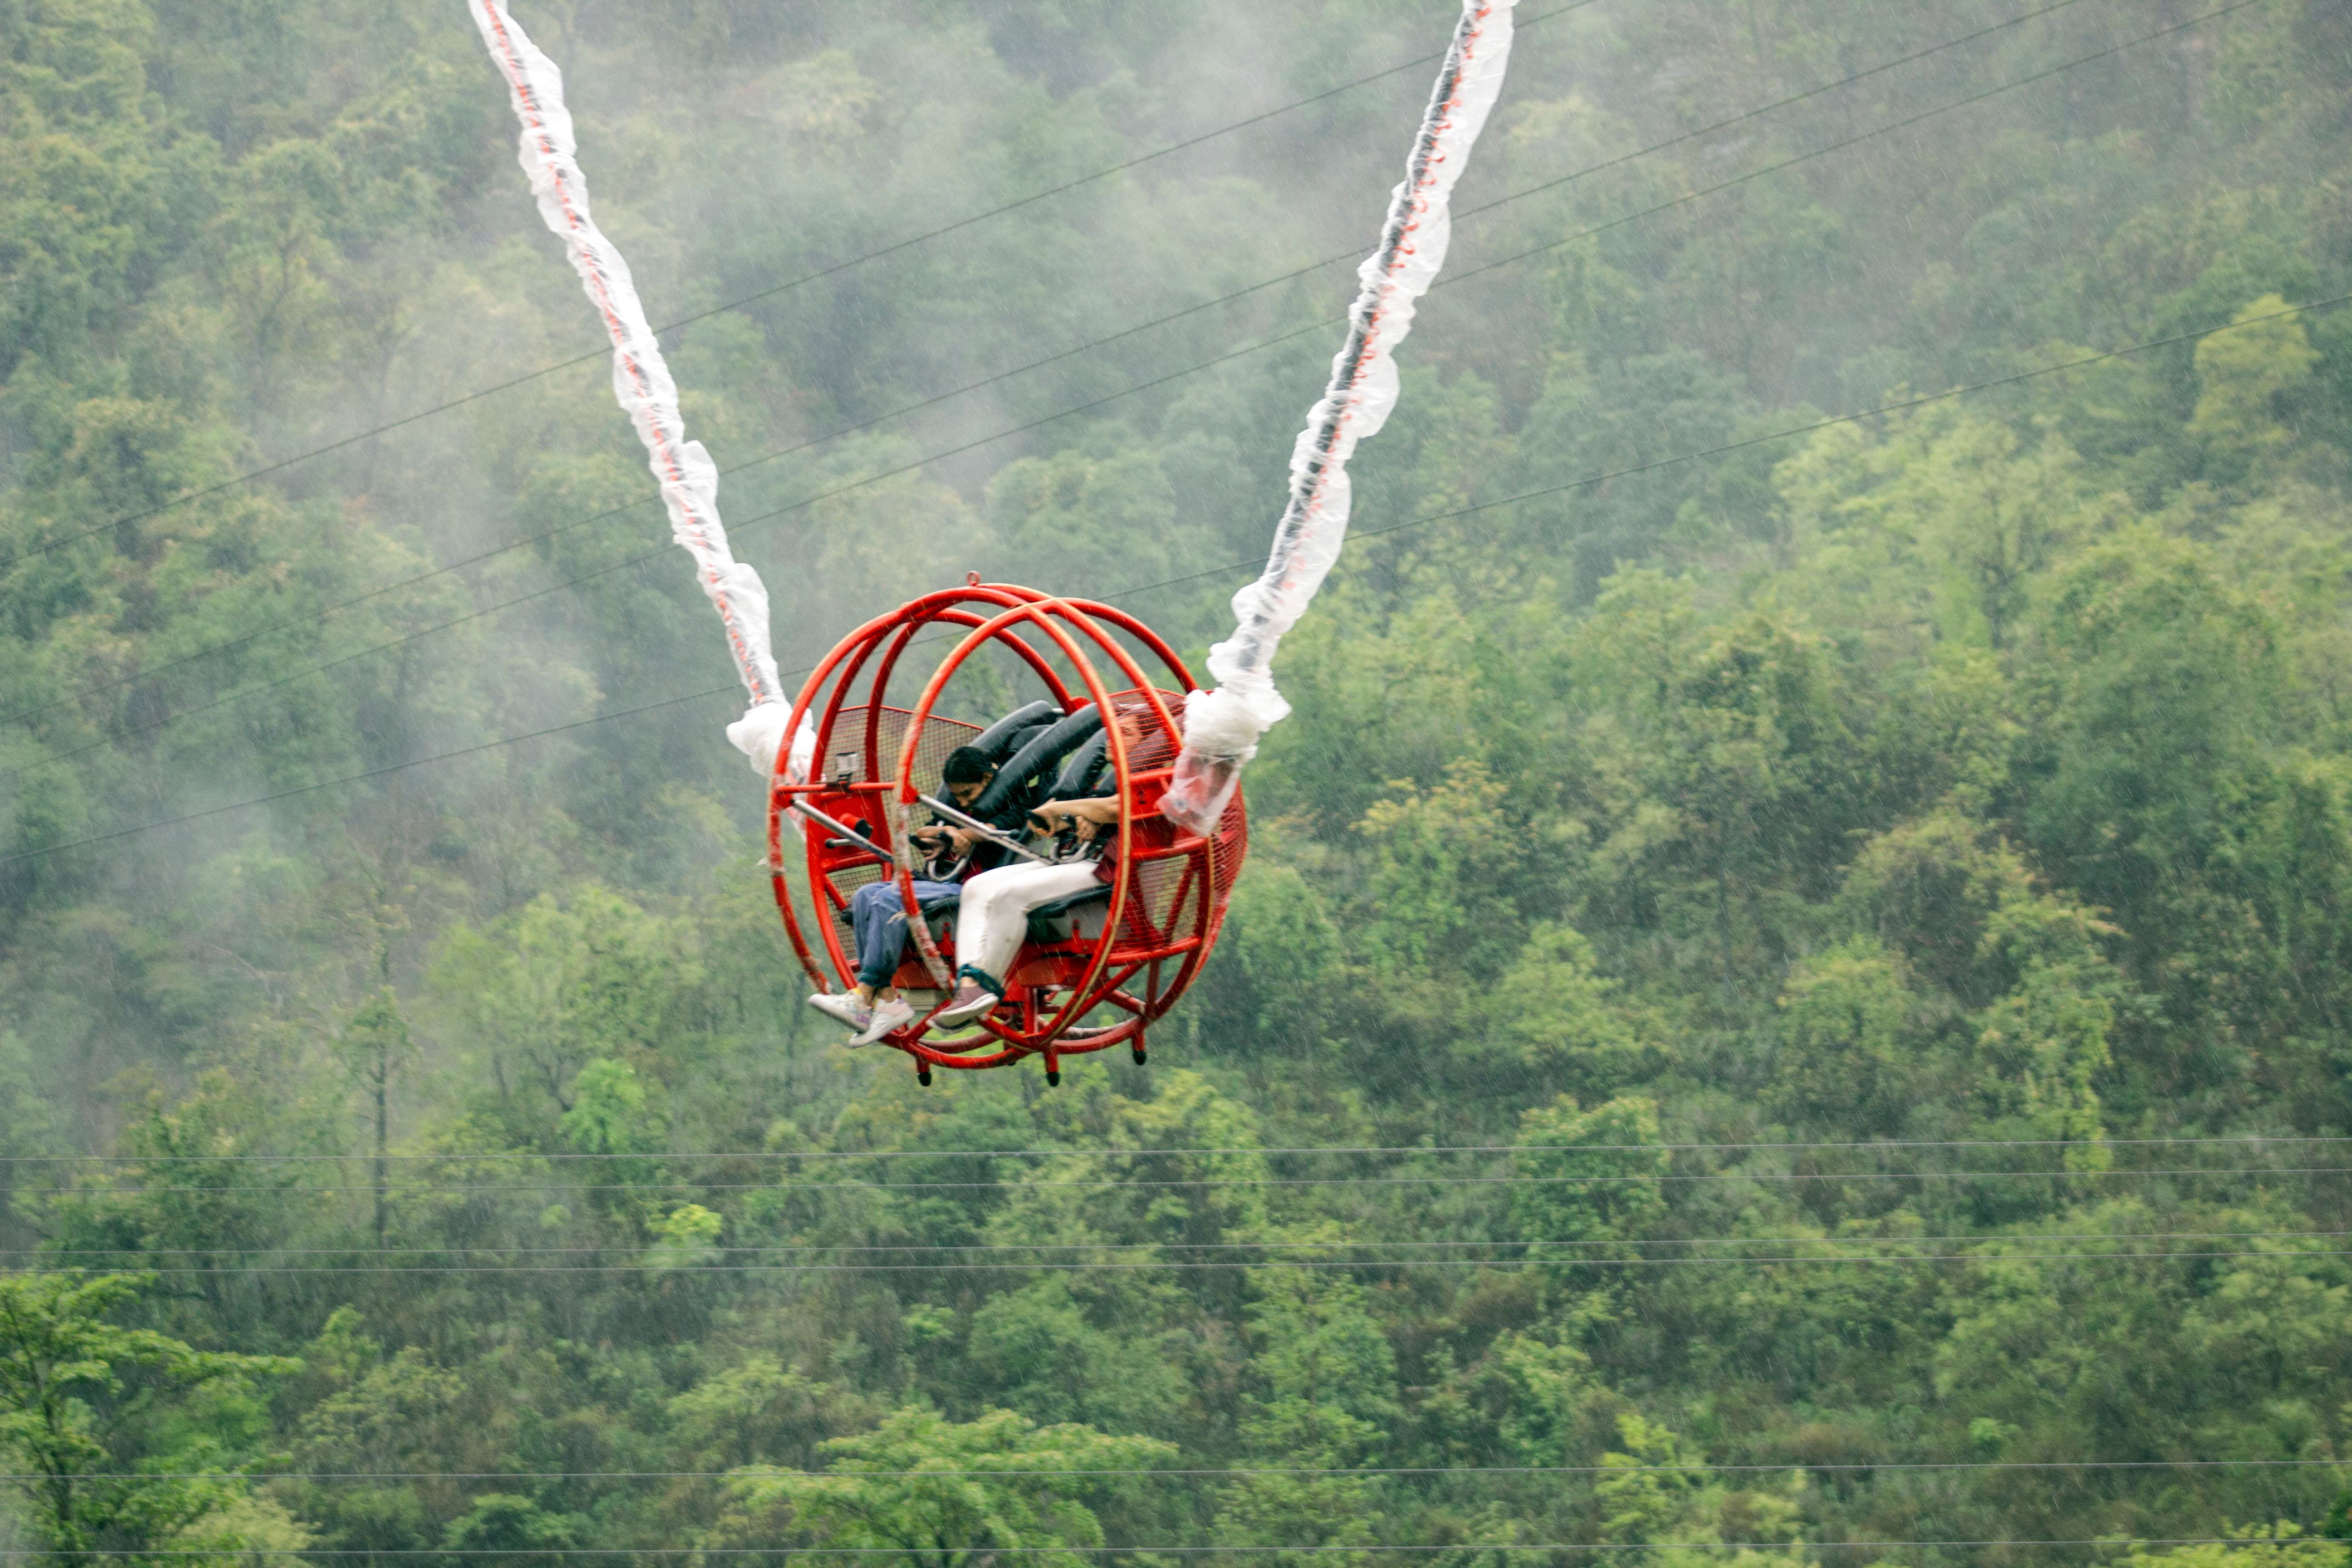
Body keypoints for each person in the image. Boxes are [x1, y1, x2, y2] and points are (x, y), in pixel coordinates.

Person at [932, 769, 1132, 1030]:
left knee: (1011, 895)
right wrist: (1077, 813)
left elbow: (1116, 807)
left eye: (1130, 727)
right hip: (1072, 857)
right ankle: (967, 986)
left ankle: (985, 986)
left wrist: (1075, 811)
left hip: (1105, 869)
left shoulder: (1144, 767)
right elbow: (1046, 818)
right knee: (976, 887)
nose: (1120, 729)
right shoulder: (1102, 774)